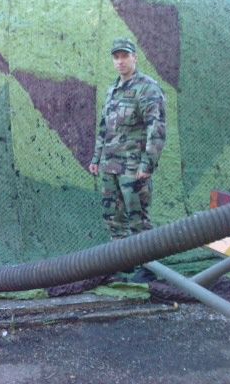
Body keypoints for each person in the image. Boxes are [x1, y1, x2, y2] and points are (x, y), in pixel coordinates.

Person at [88, 38, 166, 280]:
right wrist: (96, 158)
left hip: (133, 167)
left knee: (138, 218)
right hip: (109, 165)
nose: (120, 61)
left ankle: (149, 267)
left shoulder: (147, 88)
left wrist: (148, 163)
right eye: (116, 57)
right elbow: (104, 128)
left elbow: (157, 128)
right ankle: (123, 262)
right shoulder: (112, 90)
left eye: (125, 56)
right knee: (113, 217)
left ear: (135, 58)